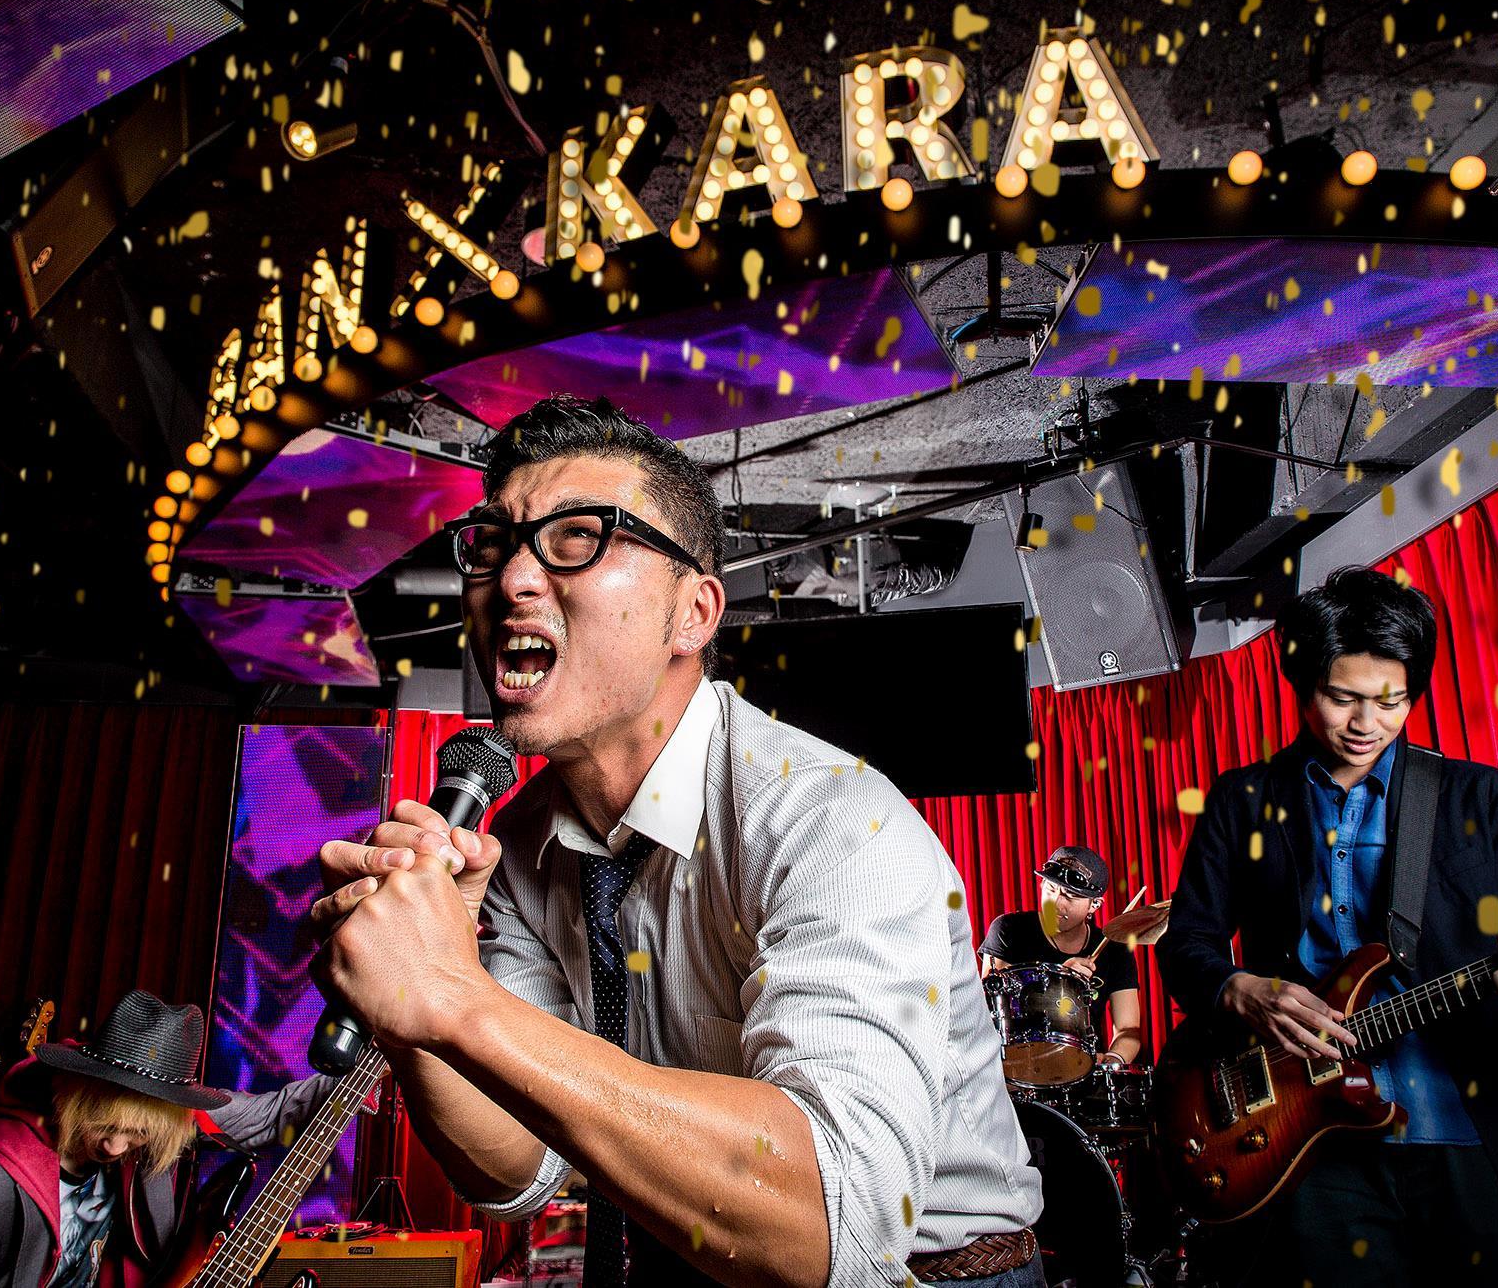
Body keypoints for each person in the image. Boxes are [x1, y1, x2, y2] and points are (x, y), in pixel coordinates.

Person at [308, 396, 1043, 1288]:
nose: (510, 579)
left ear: (693, 612)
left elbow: (835, 1225)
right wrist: (416, 1019)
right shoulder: (519, 846)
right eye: (494, 541)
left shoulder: (833, 821)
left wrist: (459, 999)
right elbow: (517, 1169)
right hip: (690, 1248)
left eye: (578, 535)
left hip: (934, 1272)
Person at [1158, 566, 1498, 1287]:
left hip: (1469, 1132)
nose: (1367, 723)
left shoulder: (1478, 798)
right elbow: (1187, 948)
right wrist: (1241, 988)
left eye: (1390, 700)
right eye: (1343, 698)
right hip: (1313, 1146)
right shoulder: (1243, 802)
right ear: (1302, 684)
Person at [0, 990, 332, 1287]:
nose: (115, 1148)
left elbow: (273, 1114)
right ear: (71, 1097)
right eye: (104, 1124)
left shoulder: (164, 1122)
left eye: (137, 1135)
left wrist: (376, 1061)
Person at [978, 845, 1144, 1065]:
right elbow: (987, 1009)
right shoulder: (1009, 930)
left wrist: (1113, 1058)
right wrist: (1060, 982)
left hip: (1082, 1070)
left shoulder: (1114, 950)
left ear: (1094, 905)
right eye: (1050, 888)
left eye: (1069, 896)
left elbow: (1128, 1028)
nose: (1055, 903)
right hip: (1016, 1066)